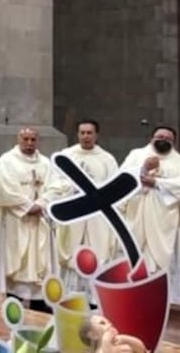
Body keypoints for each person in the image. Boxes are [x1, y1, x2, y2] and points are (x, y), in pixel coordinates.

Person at [118, 126, 180, 306]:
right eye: (160, 136)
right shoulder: (136, 155)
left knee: (162, 263)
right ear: (151, 138)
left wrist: (157, 182)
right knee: (136, 256)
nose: (164, 140)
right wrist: (143, 168)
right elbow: (121, 178)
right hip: (138, 214)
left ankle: (163, 301)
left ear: (173, 142)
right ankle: (132, 297)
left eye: (168, 138)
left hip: (164, 219)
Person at [45, 119, 118, 299]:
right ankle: (69, 295)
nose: (86, 136)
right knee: (71, 251)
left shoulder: (107, 159)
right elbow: (54, 183)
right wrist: (72, 188)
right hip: (74, 214)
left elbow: (114, 188)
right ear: (77, 135)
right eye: (82, 133)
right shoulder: (66, 156)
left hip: (97, 217)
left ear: (96, 135)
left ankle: (94, 298)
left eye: (89, 133)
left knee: (95, 253)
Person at [0, 128, 54, 310]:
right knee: (16, 266)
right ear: (18, 139)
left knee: (39, 265)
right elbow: (4, 189)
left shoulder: (46, 163)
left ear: (37, 141)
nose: (29, 143)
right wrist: (28, 206)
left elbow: (56, 187)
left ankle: (40, 307)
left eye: (33, 139)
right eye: (25, 139)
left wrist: (42, 203)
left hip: (39, 220)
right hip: (16, 222)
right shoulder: (7, 161)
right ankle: (13, 303)